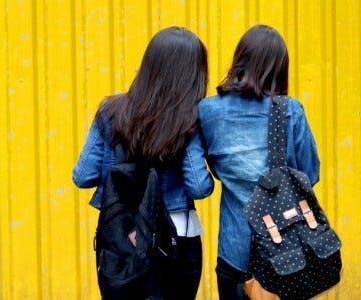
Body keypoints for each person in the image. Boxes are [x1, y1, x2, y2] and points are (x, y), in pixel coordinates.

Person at [72, 26, 214, 299]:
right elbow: (198, 186)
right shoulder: (190, 119)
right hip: (176, 235)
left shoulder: (111, 112)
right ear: (193, 74)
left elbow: (83, 176)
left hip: (120, 235)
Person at [197, 24, 320, 299]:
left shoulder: (207, 110)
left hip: (233, 252)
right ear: (279, 67)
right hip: (286, 253)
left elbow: (203, 172)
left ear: (240, 60)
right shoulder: (290, 110)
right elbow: (310, 174)